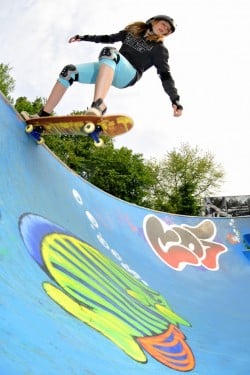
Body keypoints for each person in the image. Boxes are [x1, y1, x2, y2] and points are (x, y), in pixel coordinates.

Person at [35, 14, 183, 118]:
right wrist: (83, 37)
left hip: (128, 75)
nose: (165, 29)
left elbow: (165, 75)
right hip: (110, 66)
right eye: (163, 24)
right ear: (154, 21)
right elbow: (108, 38)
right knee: (69, 71)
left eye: (168, 30)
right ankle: (43, 115)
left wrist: (174, 99)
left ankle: (98, 104)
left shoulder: (159, 49)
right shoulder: (131, 32)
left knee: (110, 52)